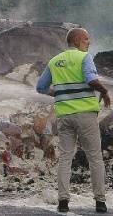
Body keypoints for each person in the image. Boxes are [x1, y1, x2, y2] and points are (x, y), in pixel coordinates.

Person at [36, 28, 109, 213]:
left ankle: (63, 202)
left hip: (64, 117)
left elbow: (40, 87)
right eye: (86, 39)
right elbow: (91, 79)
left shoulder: (54, 61)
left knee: (65, 159)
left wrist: (58, 92)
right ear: (76, 40)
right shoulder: (84, 57)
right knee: (95, 158)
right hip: (85, 115)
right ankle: (100, 202)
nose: (89, 42)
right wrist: (105, 91)